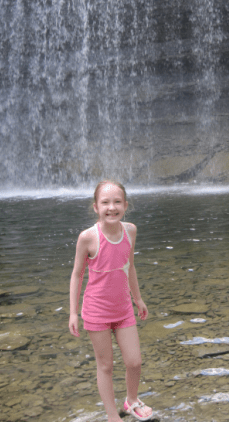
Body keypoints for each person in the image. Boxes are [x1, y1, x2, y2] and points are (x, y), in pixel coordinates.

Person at [69, 180, 153, 421]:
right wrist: (73, 313)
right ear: (95, 207)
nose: (111, 207)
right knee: (106, 365)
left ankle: (131, 401)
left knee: (134, 362)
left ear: (126, 205)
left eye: (117, 202)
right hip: (96, 312)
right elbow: (77, 274)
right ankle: (111, 416)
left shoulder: (130, 231)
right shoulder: (88, 237)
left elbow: (130, 266)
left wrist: (138, 299)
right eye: (105, 202)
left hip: (124, 308)